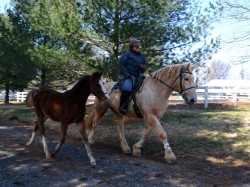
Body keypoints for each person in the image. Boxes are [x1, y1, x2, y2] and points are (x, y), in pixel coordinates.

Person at [118, 39, 148, 115]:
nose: (139, 48)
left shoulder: (142, 56)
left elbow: (145, 66)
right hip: (128, 75)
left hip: (139, 75)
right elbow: (121, 64)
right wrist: (126, 74)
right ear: (132, 47)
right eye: (137, 46)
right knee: (127, 87)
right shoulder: (127, 55)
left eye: (139, 46)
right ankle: (123, 107)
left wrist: (143, 67)